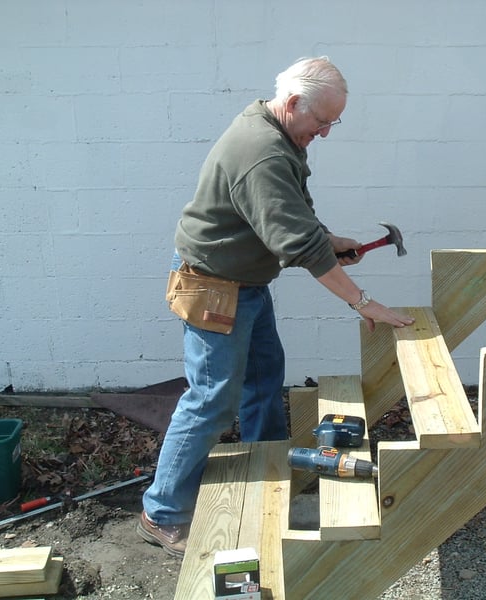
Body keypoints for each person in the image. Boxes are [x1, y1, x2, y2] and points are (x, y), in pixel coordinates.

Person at [137, 56, 415, 557]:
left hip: (246, 282)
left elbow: (294, 220)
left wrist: (332, 239)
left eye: (334, 122)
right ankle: (161, 514)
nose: (326, 132)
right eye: (322, 121)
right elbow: (298, 246)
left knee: (265, 380)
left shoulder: (276, 132)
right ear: (291, 104)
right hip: (216, 287)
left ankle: (267, 476)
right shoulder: (262, 153)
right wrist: (363, 302)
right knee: (211, 400)